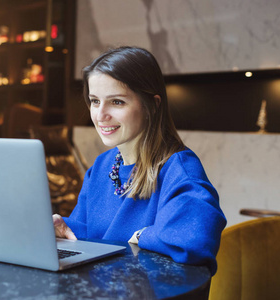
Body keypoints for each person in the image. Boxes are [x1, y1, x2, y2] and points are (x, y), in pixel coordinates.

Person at [53, 46, 226, 274]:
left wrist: (141, 234)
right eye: (95, 101)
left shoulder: (179, 168)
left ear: (152, 106)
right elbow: (89, 231)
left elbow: (194, 239)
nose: (100, 115)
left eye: (116, 102)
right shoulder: (102, 166)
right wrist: (63, 227)